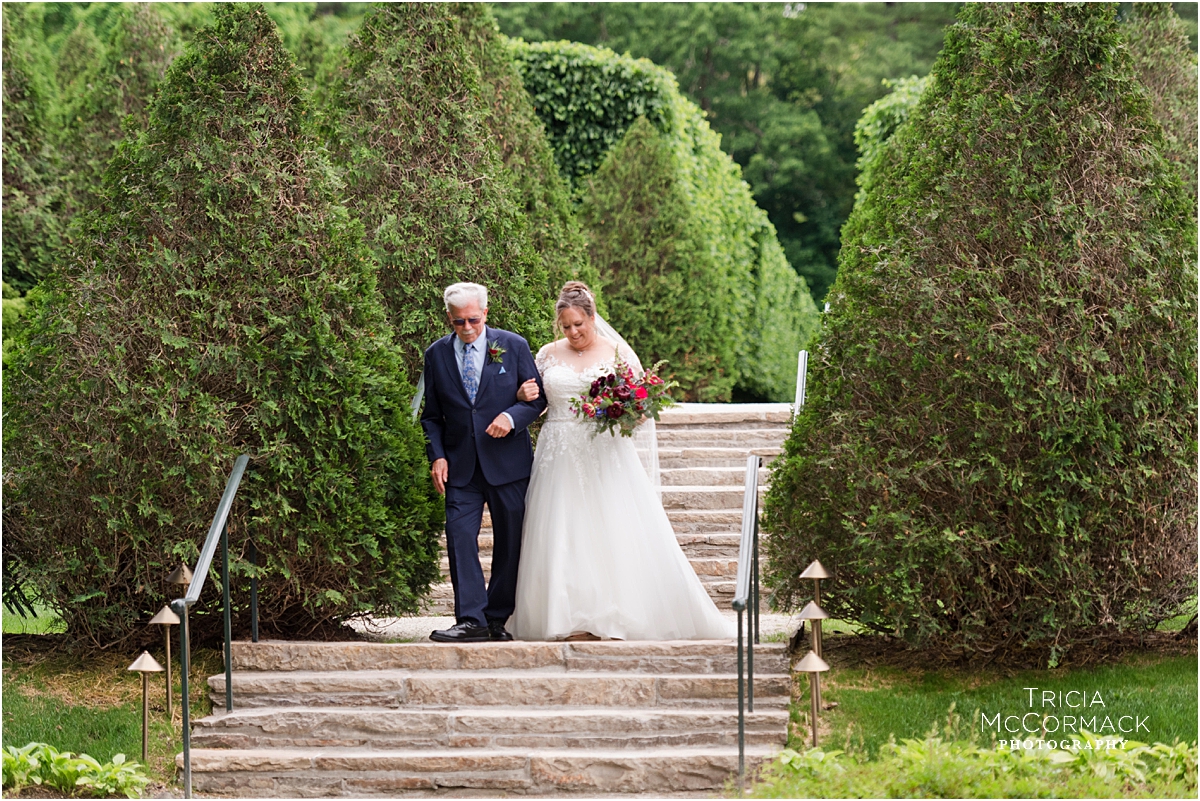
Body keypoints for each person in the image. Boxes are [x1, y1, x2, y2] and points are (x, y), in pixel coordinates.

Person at [508, 281, 736, 641]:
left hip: (604, 452)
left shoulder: (617, 352)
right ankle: (565, 617)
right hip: (558, 453)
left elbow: (641, 402)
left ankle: (616, 614)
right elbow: (536, 401)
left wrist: (625, 414)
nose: (573, 332)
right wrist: (522, 394)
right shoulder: (547, 354)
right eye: (565, 326)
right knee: (562, 531)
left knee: (609, 528)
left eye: (578, 324)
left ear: (592, 317)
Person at [420, 282, 546, 643]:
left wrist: (511, 417)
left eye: (473, 320)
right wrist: (437, 455)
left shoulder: (513, 345)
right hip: (460, 466)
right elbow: (432, 416)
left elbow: (536, 398)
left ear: (485, 313)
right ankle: (470, 620)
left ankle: (496, 618)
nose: (467, 328)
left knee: (510, 542)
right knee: (459, 536)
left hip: (508, 464)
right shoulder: (436, 354)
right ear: (449, 317)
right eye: (458, 322)